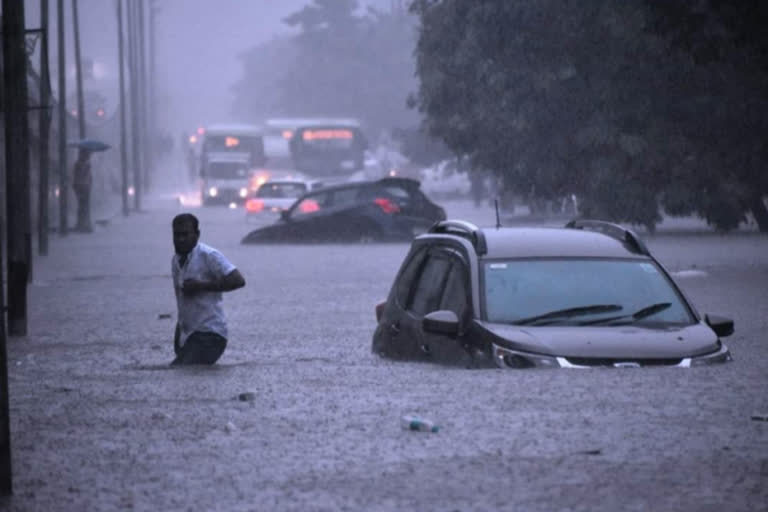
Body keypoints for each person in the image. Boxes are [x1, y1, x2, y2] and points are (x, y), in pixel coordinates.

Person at [171, 213, 246, 365]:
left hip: (211, 335)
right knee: (182, 374)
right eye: (177, 235)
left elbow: (238, 280)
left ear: (197, 235)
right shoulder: (176, 260)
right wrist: (179, 332)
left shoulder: (209, 255)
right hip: (188, 335)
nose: (181, 239)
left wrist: (201, 286)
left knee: (180, 370)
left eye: (185, 234)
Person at [72, 149, 93, 232]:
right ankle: (82, 224)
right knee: (82, 206)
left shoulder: (85, 164)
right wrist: (86, 169)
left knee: (84, 205)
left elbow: (88, 177)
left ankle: (84, 223)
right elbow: (79, 176)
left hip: (85, 187)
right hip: (81, 187)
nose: (89, 157)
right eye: (88, 155)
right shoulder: (79, 164)